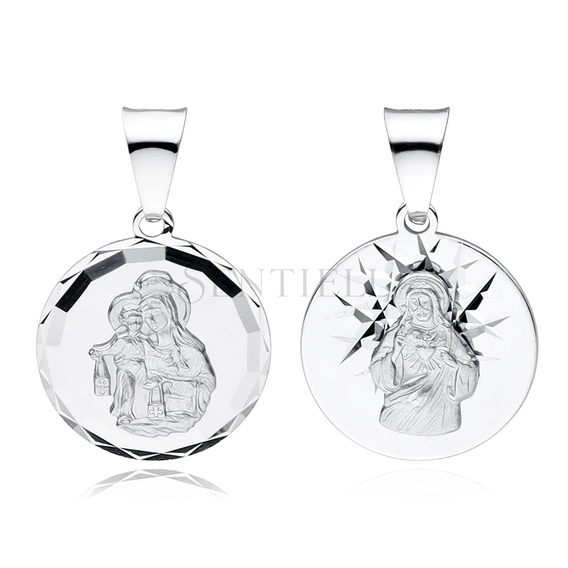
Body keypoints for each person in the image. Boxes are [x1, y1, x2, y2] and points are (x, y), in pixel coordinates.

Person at [370, 272, 479, 436]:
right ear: (407, 306)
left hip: (440, 411)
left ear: (434, 303)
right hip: (400, 408)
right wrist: (395, 353)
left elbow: (470, 365)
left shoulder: (448, 334)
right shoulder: (398, 332)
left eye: (424, 301)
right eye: (413, 303)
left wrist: (455, 366)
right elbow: (377, 365)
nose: (419, 307)